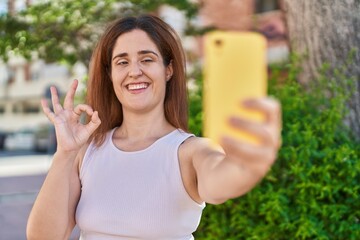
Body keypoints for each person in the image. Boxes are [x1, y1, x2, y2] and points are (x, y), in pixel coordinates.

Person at [26, 14, 281, 240]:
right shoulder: (87, 151)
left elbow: (220, 182)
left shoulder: (190, 151)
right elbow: (43, 237)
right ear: (110, 74)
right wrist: (65, 154)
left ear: (168, 70)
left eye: (147, 59)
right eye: (122, 62)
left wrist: (246, 167)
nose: (134, 71)